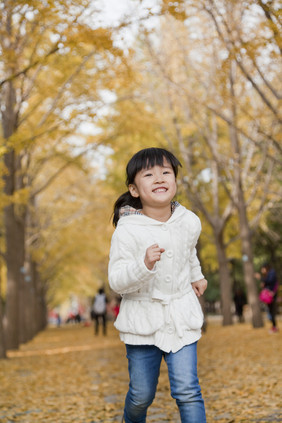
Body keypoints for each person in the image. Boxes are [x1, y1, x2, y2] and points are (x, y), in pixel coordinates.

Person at [108, 147, 208, 423]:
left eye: (166, 172)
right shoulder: (127, 230)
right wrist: (144, 266)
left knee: (188, 391)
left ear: (175, 181)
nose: (159, 178)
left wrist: (195, 276)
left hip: (180, 316)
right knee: (141, 395)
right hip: (143, 323)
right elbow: (116, 280)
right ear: (135, 189)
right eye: (149, 174)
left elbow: (189, 252)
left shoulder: (188, 221)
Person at [260, 263, 279, 334]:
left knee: (271, 311)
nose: (262, 270)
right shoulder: (269, 274)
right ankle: (274, 326)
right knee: (270, 311)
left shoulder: (271, 273)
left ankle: (274, 327)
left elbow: (271, 282)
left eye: (263, 269)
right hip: (269, 295)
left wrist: (261, 278)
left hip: (271, 295)